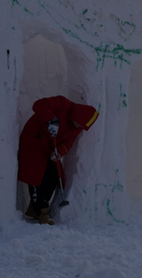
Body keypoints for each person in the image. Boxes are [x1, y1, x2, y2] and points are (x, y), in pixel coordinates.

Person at [18, 95, 99, 225]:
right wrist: (50, 120)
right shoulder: (62, 104)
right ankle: (43, 212)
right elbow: (38, 104)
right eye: (79, 122)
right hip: (34, 142)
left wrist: (60, 152)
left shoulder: (76, 127)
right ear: (78, 115)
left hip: (50, 150)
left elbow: (68, 142)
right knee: (36, 176)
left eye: (81, 125)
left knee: (54, 176)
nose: (78, 126)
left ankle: (35, 208)